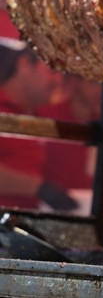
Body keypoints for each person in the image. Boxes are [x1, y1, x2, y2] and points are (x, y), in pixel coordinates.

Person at [0, 38, 76, 210]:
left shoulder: (39, 114)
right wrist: (37, 187)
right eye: (52, 71)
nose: (58, 81)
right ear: (25, 64)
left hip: (26, 224)